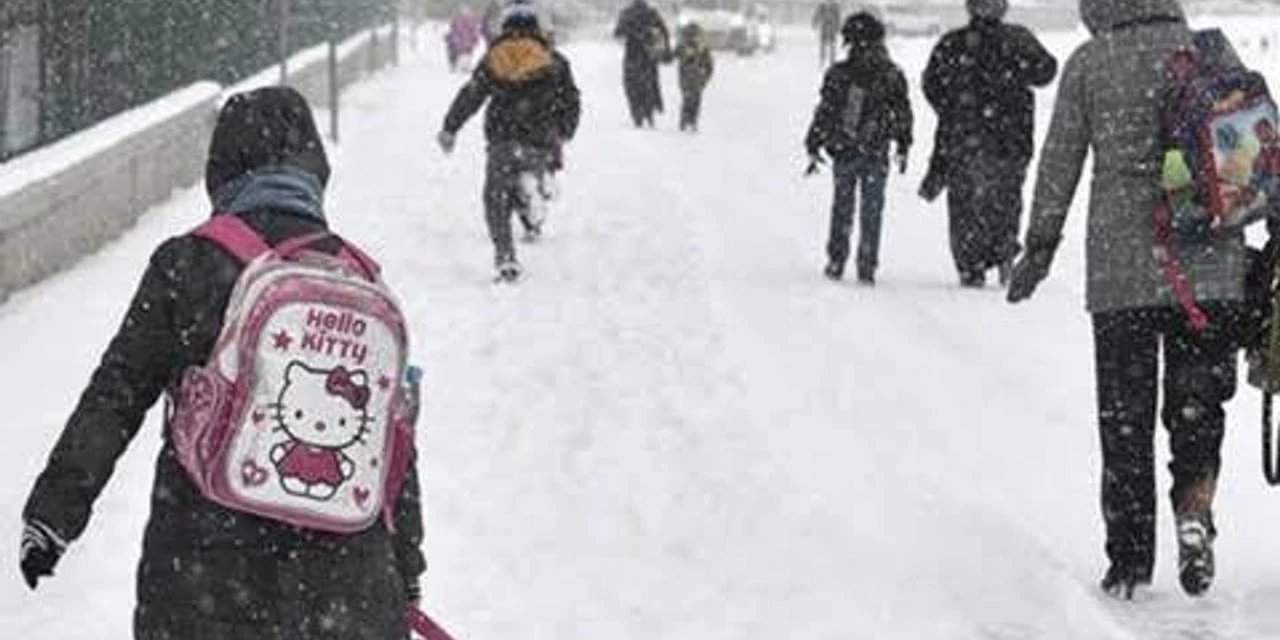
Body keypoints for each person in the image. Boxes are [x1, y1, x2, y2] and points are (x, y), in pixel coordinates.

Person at [17, 87, 427, 638]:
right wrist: (405, 567)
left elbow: (116, 393)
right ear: (314, 170)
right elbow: (392, 440)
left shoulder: (186, 264)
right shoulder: (358, 280)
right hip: (346, 582)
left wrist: (54, 513)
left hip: (205, 572)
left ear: (221, 169)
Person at [1006, 0, 1244, 600]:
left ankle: (1130, 561)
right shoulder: (1209, 51)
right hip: (1210, 265)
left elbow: (1059, 162)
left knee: (1125, 420)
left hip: (1123, 270)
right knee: (1197, 406)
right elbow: (1248, 151)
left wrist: (1038, 249)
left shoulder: (1091, 62)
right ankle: (1195, 507)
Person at [438, 5, 581, 282]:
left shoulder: (494, 58)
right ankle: (535, 192)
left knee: (495, 197)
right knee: (530, 173)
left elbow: (472, 95)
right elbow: (571, 100)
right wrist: (564, 130)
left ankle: (505, 256)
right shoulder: (554, 61)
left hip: (502, 138)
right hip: (539, 139)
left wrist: (450, 128)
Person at [922, 0, 1057, 288]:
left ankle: (971, 264)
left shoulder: (954, 43)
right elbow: (1046, 71)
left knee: (965, 205)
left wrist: (954, 109)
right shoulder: (1017, 39)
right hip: (1010, 140)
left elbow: (931, 84)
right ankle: (1003, 251)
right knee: (1005, 201)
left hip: (965, 140)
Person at [804, 11, 912, 285]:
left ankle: (838, 259)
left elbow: (825, 111)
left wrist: (814, 140)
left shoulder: (841, 74)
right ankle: (865, 263)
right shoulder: (890, 74)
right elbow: (902, 112)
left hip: (846, 149)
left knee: (843, 206)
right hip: (874, 150)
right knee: (871, 210)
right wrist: (902, 142)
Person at [614, 0, 671, 128]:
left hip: (632, 55)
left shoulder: (627, 13)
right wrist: (666, 51)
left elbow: (617, 33)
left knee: (632, 85)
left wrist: (631, 32)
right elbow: (664, 31)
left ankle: (638, 113)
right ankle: (649, 111)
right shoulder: (651, 13)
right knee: (649, 84)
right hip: (648, 56)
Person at [675, 23, 715, 133]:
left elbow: (709, 65)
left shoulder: (702, 48)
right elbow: (673, 55)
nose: (692, 38)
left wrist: (706, 77)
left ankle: (691, 120)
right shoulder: (683, 47)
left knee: (694, 99)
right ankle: (686, 120)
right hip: (688, 77)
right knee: (689, 98)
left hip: (696, 77)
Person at [446, 5, 485, 71]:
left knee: (465, 54)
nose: (465, 13)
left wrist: (475, 39)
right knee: (464, 54)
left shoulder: (469, 20)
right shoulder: (460, 19)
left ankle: (464, 66)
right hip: (463, 41)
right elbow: (454, 29)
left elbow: (474, 31)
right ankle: (462, 66)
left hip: (465, 41)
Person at [812, 0, 841, 68]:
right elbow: (817, 14)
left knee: (832, 45)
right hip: (824, 27)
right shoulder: (822, 5)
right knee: (823, 45)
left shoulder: (835, 6)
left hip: (832, 27)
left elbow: (838, 17)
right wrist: (815, 22)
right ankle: (822, 60)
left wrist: (838, 27)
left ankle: (832, 61)